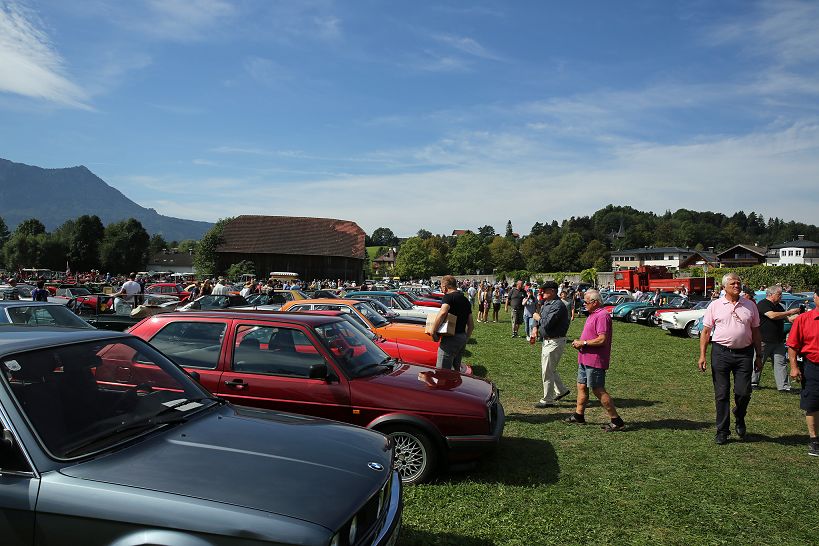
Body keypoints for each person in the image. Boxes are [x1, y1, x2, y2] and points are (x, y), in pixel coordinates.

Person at [698, 273, 762, 445]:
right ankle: (723, 430)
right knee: (721, 393)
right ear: (724, 287)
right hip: (721, 353)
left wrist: (759, 355)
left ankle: (739, 415)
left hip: (745, 354)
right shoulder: (715, 305)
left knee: (743, 392)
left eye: (739, 283)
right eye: (733, 283)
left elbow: (756, 332)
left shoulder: (750, 305)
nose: (737, 285)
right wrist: (702, 355)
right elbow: (705, 332)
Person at [566, 289, 624, 431]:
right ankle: (579, 415)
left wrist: (583, 343)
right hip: (585, 359)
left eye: (586, 302)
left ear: (595, 302)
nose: (584, 304)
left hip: (595, 360)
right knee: (581, 386)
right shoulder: (592, 314)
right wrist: (581, 342)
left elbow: (602, 339)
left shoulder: (602, 316)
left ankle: (616, 420)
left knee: (598, 390)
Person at [786, 287, 819, 457]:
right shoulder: (803, 319)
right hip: (812, 366)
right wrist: (793, 367)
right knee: (812, 404)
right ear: (815, 298)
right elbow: (793, 345)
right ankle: (814, 441)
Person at [751, 285, 801, 392]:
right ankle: (753, 382)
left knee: (781, 363)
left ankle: (784, 387)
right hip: (764, 340)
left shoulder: (779, 306)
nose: (781, 297)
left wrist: (800, 316)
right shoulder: (763, 304)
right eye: (779, 294)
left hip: (778, 341)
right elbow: (772, 315)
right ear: (771, 294)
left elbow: (789, 319)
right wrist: (790, 312)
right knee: (758, 361)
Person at [532, 281, 571, 408]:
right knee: (550, 368)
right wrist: (534, 328)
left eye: (545, 290)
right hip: (548, 340)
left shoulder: (558, 305)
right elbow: (540, 319)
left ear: (553, 291)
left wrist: (537, 318)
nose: (542, 292)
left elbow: (547, 322)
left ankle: (548, 399)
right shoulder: (547, 303)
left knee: (547, 370)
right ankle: (562, 390)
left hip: (555, 341)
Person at [430, 275, 474, 372]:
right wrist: (465, 339)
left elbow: (442, 313)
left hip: (450, 339)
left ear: (445, 286)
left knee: (442, 372)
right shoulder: (465, 300)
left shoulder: (448, 297)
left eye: (441, 287)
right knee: (455, 370)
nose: (441, 289)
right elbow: (471, 325)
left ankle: (443, 387)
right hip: (461, 337)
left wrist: (433, 331)